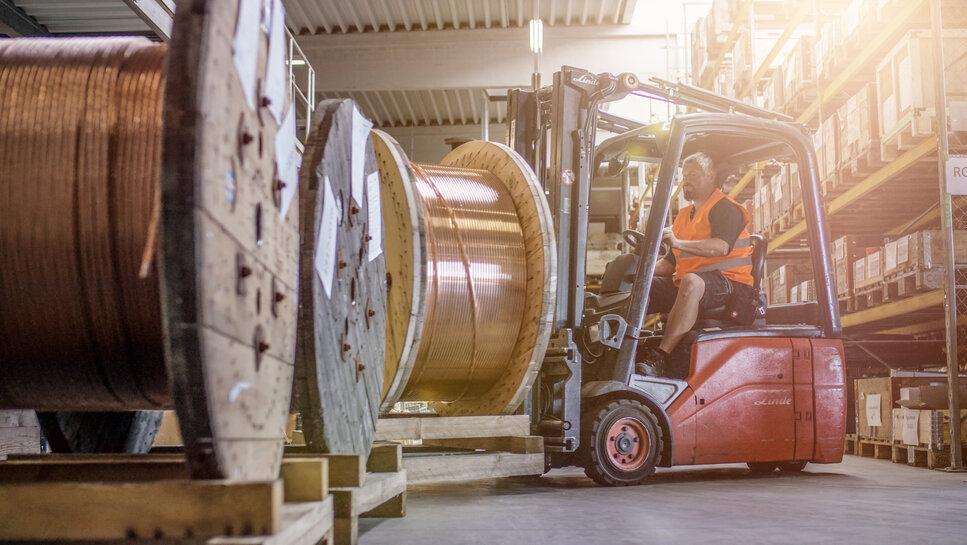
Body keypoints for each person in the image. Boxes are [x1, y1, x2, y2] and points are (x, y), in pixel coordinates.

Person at [636, 152, 755, 377]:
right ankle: (622, 347)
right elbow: (671, 263)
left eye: (693, 174)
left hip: (730, 284)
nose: (686, 180)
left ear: (710, 176)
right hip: (694, 285)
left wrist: (678, 241)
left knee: (691, 282)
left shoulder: (724, 208)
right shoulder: (683, 216)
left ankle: (660, 357)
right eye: (684, 175)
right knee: (642, 285)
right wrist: (640, 270)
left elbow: (720, 247)